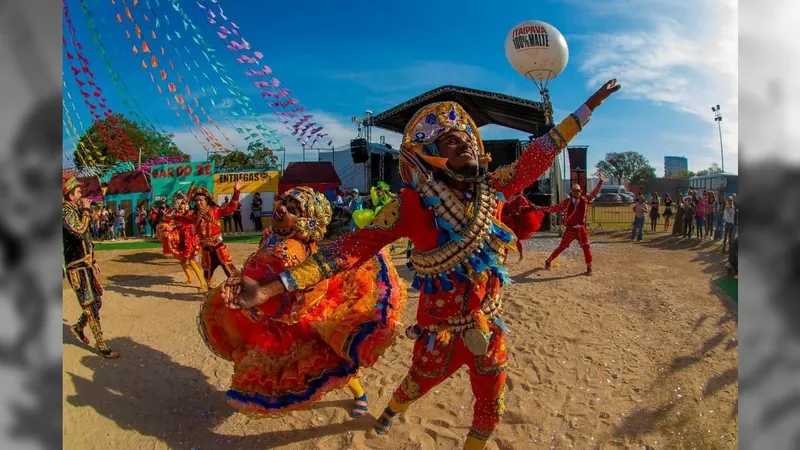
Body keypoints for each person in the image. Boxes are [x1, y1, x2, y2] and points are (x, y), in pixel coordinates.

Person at [222, 79, 621, 450]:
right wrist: (269, 289)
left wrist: (586, 110)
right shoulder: (409, 206)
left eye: (465, 138)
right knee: (416, 384)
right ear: (429, 157)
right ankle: (392, 412)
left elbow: (538, 154)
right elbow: (341, 252)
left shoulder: (495, 188)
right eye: (448, 141)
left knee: (490, 408)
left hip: (490, 325)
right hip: (439, 334)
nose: (462, 144)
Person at [199, 186, 407, 417]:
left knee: (330, 363)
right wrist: (243, 284)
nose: (283, 208)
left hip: (293, 317)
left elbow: (306, 290)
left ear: (305, 222)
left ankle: (359, 394)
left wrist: (266, 305)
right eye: (285, 202)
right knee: (251, 355)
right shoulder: (272, 234)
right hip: (264, 310)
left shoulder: (292, 251)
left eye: (293, 209)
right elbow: (260, 273)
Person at [62, 177, 119, 359]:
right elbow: (79, 231)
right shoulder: (65, 211)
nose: (82, 195)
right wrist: (86, 210)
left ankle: (78, 327)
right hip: (77, 269)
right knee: (90, 306)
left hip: (86, 265)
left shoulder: (76, 210)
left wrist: (93, 260)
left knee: (97, 301)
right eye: (79, 192)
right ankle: (102, 346)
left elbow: (86, 238)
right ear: (71, 195)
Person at [181, 182, 242, 287]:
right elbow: (182, 219)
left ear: (207, 200)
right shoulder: (195, 215)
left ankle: (237, 292)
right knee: (207, 274)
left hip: (218, 247)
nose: (198, 203)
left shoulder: (215, 210)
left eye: (201, 200)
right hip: (206, 249)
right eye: (196, 201)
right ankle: (211, 294)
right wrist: (173, 215)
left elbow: (231, 207)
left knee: (230, 271)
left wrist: (236, 192)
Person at [538, 178, 604, 273]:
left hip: (581, 229)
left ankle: (589, 268)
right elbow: (555, 208)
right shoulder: (567, 202)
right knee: (562, 247)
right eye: (574, 190)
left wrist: (601, 182)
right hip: (570, 229)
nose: (576, 192)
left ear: (580, 191)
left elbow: (594, 192)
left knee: (586, 247)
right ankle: (548, 261)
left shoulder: (585, 200)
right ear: (571, 192)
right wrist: (541, 209)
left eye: (578, 190)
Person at [157, 193, 207, 290]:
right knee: (183, 262)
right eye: (180, 208)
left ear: (187, 207)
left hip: (191, 241)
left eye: (183, 207)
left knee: (192, 262)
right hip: (183, 242)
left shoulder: (191, 214)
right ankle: (190, 278)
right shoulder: (179, 216)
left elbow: (193, 226)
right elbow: (170, 221)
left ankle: (202, 283)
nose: (181, 209)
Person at [500, 192, 544, 263]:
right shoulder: (507, 196)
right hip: (506, 221)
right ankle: (505, 257)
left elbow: (524, 208)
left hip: (514, 222)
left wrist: (528, 208)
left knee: (515, 239)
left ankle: (520, 255)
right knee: (506, 239)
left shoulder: (520, 197)